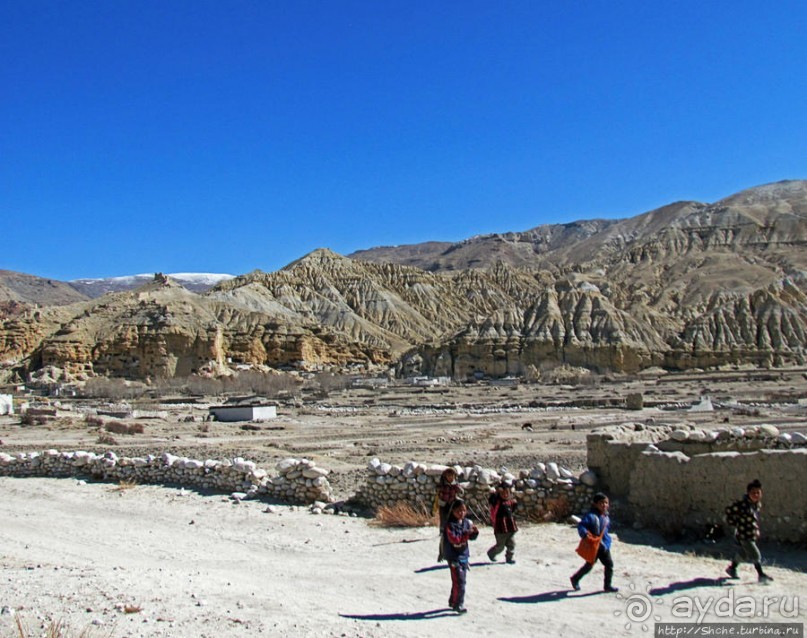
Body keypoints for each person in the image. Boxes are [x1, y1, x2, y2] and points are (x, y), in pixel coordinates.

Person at [724, 479, 773, 582]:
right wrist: (734, 522)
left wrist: (756, 530)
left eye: (758, 492)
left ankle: (732, 568)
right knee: (755, 554)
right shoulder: (742, 505)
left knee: (744, 554)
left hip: (751, 534)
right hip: (743, 535)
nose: (756, 495)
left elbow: (753, 520)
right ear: (748, 493)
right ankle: (761, 575)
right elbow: (729, 510)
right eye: (753, 493)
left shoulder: (756, 505)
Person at [570, 492, 618, 592]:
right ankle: (575, 579)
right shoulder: (590, 516)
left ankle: (607, 586)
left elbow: (606, 531)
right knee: (589, 565)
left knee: (609, 565)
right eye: (601, 503)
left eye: (606, 503)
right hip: (594, 545)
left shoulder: (606, 517)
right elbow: (582, 526)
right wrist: (585, 534)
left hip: (604, 546)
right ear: (595, 504)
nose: (604, 505)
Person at [443, 499, 479, 614]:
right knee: (460, 581)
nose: (461, 513)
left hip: (464, 555)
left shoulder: (466, 522)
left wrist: (474, 532)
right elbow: (455, 540)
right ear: (452, 511)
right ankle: (459, 604)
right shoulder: (449, 526)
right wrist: (467, 534)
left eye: (463, 510)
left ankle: (453, 601)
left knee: (457, 581)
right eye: (458, 511)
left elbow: (471, 538)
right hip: (454, 557)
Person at [435, 467, 464, 562]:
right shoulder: (442, 485)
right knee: (444, 531)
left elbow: (461, 492)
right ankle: (442, 553)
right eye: (448, 475)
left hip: (452, 507)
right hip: (444, 507)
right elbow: (438, 492)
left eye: (452, 475)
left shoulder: (456, 485)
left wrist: (458, 489)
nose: (450, 477)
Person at [487, 480, 518, 564]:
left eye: (507, 492)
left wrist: (515, 504)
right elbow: (491, 500)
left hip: (510, 526)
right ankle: (491, 553)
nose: (505, 494)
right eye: (503, 493)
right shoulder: (497, 501)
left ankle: (509, 558)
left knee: (511, 543)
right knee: (500, 546)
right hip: (500, 527)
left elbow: (512, 511)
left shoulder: (510, 501)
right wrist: (496, 493)